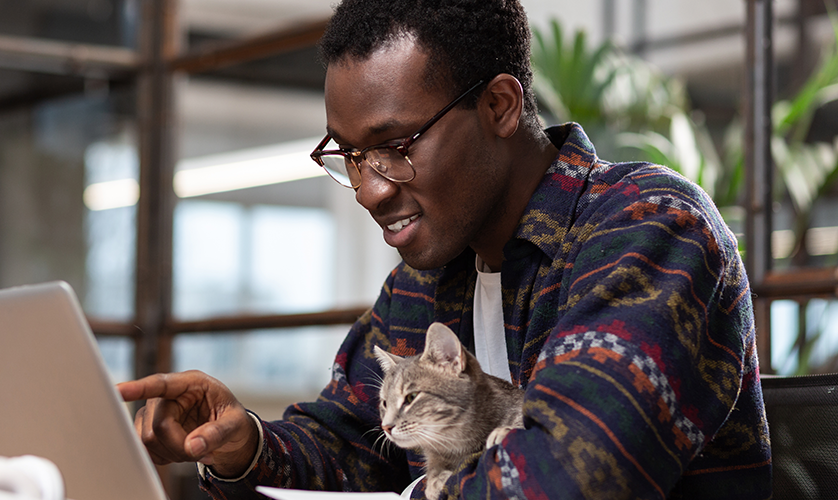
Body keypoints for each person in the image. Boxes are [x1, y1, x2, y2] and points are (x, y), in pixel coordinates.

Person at [117, 0, 772, 498]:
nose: (368, 191)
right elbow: (353, 441)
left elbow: (566, 477)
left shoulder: (648, 226)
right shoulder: (420, 283)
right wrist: (247, 447)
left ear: (499, 106)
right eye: (349, 155)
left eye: (395, 147)